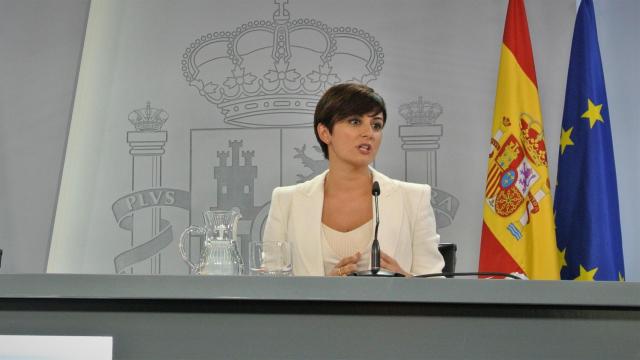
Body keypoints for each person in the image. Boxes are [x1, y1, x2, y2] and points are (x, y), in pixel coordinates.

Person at [262, 83, 444, 276]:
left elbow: (437, 289)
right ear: (325, 133)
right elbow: (271, 290)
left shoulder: (414, 199)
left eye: (376, 125)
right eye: (355, 122)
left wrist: (405, 280)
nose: (369, 133)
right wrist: (323, 292)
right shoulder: (286, 201)